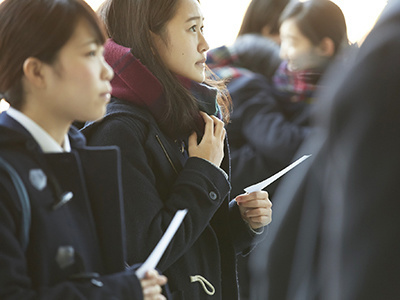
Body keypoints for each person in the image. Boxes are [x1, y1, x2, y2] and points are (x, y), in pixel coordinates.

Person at [81, 0, 272, 299]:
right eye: (192, 28)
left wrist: (241, 221)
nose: (205, 43)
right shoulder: (118, 131)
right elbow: (144, 255)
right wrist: (204, 175)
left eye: (203, 27)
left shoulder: (184, 116)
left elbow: (190, 248)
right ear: (150, 39)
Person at [0, 0, 167, 299]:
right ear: (37, 72)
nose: (108, 72)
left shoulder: (81, 154)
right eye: (91, 54)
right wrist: (123, 290)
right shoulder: (6, 174)